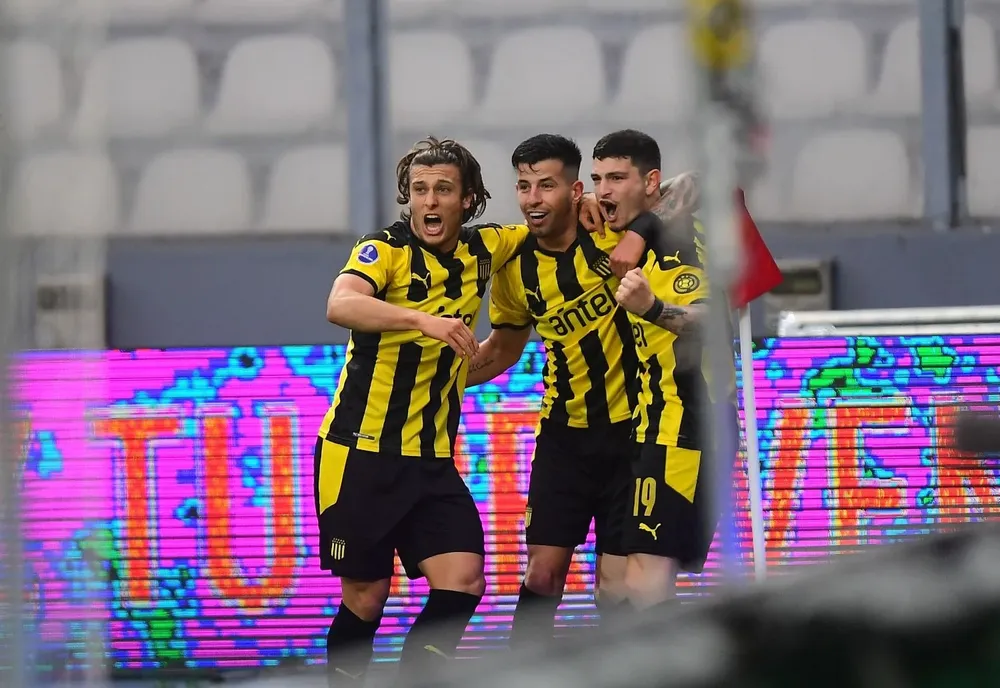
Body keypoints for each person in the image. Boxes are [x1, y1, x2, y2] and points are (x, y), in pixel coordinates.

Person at [315, 136, 602, 686]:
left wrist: (584, 201)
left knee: (464, 581)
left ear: (467, 200)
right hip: (358, 455)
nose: (429, 201)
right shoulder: (384, 249)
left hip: (430, 460)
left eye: (443, 190)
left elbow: (545, 220)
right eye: (419, 189)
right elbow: (340, 303)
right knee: (367, 597)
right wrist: (422, 320)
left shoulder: (486, 248)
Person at [465, 134, 697, 648]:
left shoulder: (613, 233)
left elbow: (692, 186)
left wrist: (640, 229)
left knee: (615, 588)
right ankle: (522, 674)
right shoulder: (515, 269)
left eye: (546, 186)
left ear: (574, 191)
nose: (532, 199)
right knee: (543, 573)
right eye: (523, 186)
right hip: (564, 438)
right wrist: (440, 382)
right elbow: (503, 349)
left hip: (632, 434)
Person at [593, 129, 737, 613]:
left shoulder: (681, 243)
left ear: (651, 181)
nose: (604, 190)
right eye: (598, 179)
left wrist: (652, 308)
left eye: (617, 178)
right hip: (644, 427)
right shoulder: (629, 232)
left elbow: (713, 323)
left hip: (687, 427)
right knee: (613, 585)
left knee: (645, 583)